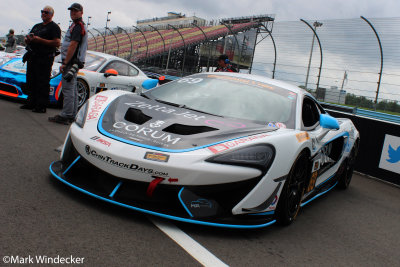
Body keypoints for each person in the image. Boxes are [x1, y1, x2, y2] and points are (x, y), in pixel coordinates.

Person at [49, 3, 87, 124]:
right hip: (74, 61)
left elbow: (73, 44)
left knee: (68, 89)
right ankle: (71, 115)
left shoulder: (78, 26)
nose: (73, 13)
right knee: (72, 89)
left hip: (71, 62)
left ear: (81, 12)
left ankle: (66, 115)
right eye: (71, 11)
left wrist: (65, 62)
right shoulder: (77, 25)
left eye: (75, 11)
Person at [20, 6, 61, 113]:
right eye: (42, 12)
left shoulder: (54, 27)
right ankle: (30, 102)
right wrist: (28, 40)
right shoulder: (37, 26)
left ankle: (41, 105)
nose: (43, 14)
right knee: (31, 79)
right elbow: (29, 38)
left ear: (51, 15)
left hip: (45, 57)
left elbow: (57, 42)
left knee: (42, 81)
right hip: (33, 56)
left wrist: (40, 40)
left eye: (46, 12)